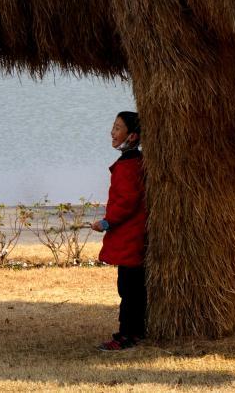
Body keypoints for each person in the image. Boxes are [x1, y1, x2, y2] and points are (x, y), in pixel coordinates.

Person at [91, 110, 148, 351]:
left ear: (132, 136)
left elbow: (126, 202)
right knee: (135, 288)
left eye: (117, 128)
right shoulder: (136, 162)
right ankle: (137, 332)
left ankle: (126, 336)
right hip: (134, 235)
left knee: (128, 289)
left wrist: (106, 223)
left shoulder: (128, 167)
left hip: (130, 237)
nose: (112, 133)